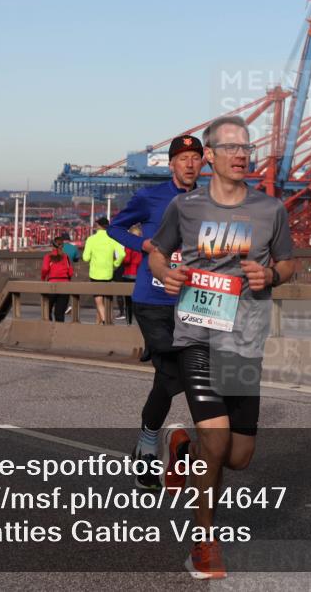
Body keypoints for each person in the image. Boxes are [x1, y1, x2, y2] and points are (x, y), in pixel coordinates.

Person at [149, 116, 295, 579]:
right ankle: (203, 542)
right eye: (229, 147)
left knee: (238, 456)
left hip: (245, 339)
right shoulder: (185, 206)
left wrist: (271, 275)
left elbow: (289, 262)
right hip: (198, 332)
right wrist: (164, 271)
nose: (240, 154)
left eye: (246, 147)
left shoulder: (271, 210)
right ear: (208, 156)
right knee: (216, 435)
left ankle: (181, 447)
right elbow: (157, 249)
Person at [108, 134, 203, 491]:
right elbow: (116, 228)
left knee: (179, 375)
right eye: (183, 158)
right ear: (172, 164)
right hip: (153, 298)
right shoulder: (150, 196)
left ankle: (160, 442)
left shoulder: (209, 199)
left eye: (196, 158)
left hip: (192, 300)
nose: (190, 164)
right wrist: (143, 244)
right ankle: (153, 443)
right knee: (171, 366)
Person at [83, 217, 125, 325]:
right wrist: (115, 264)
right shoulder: (112, 239)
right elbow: (122, 254)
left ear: (97, 226)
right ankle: (98, 325)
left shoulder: (91, 239)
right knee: (105, 301)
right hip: (108, 273)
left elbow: (85, 258)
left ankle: (106, 321)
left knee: (98, 301)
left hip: (95, 273)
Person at [41, 237, 74, 322]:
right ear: (62, 246)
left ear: (52, 245)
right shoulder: (65, 257)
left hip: (52, 285)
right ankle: (60, 332)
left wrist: (43, 278)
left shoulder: (48, 256)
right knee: (59, 314)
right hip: (64, 286)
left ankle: (49, 329)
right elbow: (70, 272)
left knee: (47, 311)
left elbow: (45, 269)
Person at [118, 226, 144, 324]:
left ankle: (129, 321)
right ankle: (139, 320)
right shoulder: (142, 244)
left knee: (128, 301)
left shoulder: (129, 245)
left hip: (129, 274)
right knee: (138, 299)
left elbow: (127, 260)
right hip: (140, 274)